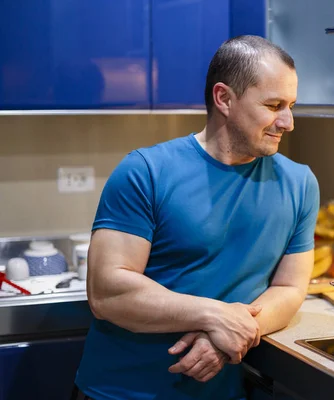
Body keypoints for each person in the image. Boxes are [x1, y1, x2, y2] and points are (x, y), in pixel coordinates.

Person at [74, 35, 320, 400]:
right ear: (224, 98)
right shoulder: (145, 171)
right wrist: (213, 315)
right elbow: (108, 292)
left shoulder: (300, 183)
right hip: (121, 391)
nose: (288, 121)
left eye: (291, 105)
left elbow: (289, 289)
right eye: (273, 105)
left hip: (223, 392)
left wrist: (226, 337)